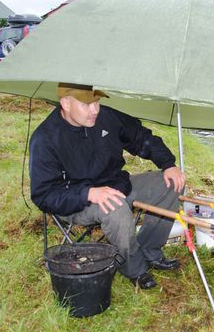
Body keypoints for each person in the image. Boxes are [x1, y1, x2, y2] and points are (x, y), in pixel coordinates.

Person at [29, 83, 186, 289]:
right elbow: (44, 195)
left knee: (172, 184)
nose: (95, 110)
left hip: (118, 187)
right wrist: (88, 193)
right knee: (115, 208)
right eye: (87, 105)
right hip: (76, 202)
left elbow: (141, 137)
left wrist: (168, 164)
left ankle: (149, 249)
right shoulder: (45, 139)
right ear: (66, 103)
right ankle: (134, 268)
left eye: (97, 102)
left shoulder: (106, 118)